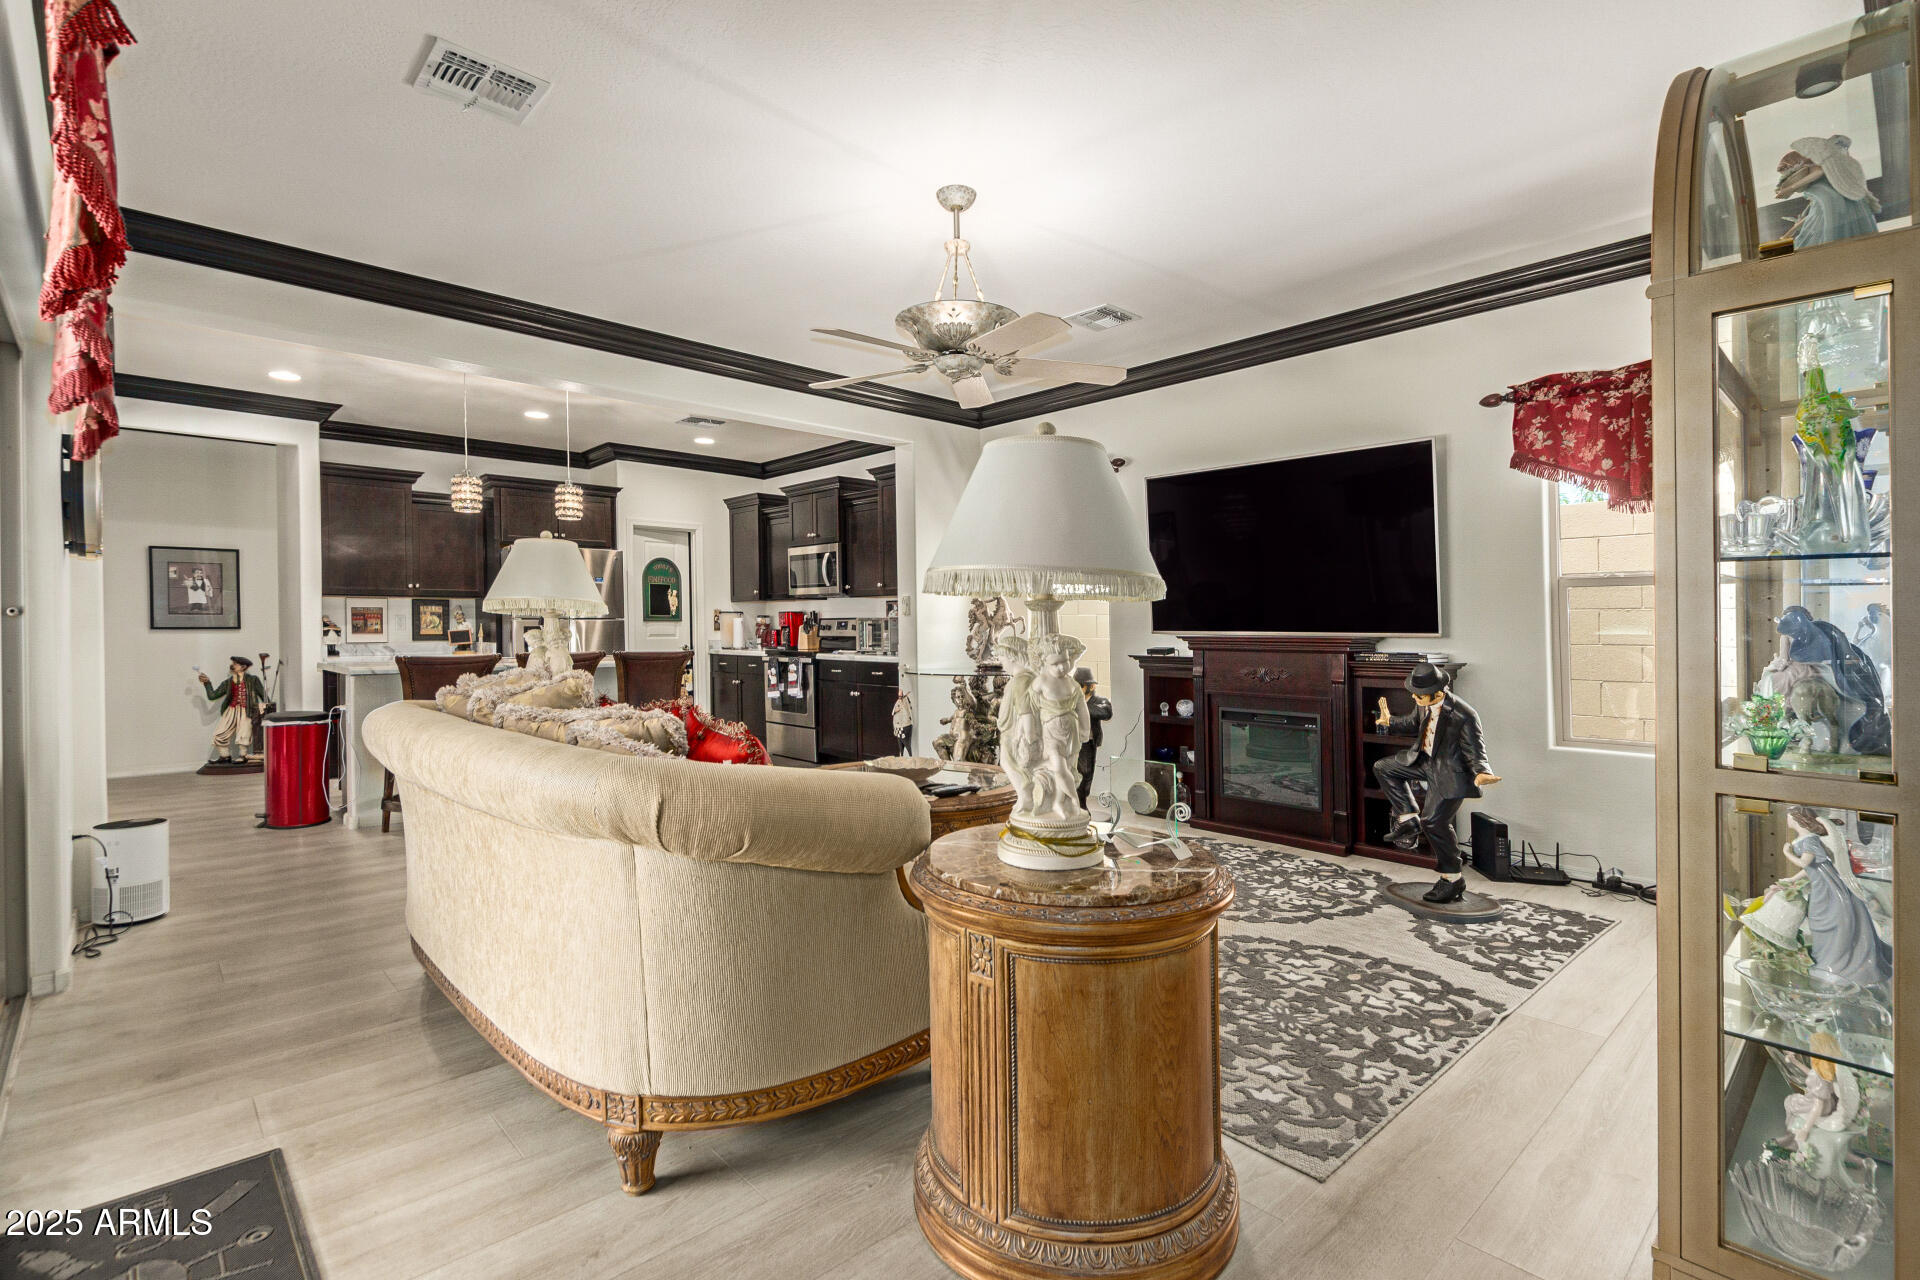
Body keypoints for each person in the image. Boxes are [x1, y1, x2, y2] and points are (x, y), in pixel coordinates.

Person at [1373, 663, 1500, 904]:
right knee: (1384, 767)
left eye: (1419, 695)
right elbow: (1412, 723)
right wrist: (1389, 721)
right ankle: (1408, 818)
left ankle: (1452, 879)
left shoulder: (1464, 714)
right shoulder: (1424, 703)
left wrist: (1482, 771)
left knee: (1433, 822)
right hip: (1424, 762)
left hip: (1450, 772)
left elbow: (1475, 748)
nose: (1415, 698)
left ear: (1439, 692)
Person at [200, 656, 268, 763]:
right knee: (220, 733)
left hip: (247, 709)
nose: (232, 665)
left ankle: (243, 756)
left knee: (244, 732)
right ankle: (224, 756)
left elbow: (264, 696)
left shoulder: (253, 680)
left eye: (235, 664)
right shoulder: (228, 682)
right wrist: (207, 683)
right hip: (231, 709)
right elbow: (212, 696)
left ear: (243, 667)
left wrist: (265, 707)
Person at [1073, 667, 1113, 810]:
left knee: (1086, 774)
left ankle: (1082, 802)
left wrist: (1080, 708)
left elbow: (1106, 713)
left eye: (1080, 685)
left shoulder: (1099, 701)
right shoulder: (1071, 700)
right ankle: (1078, 804)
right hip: (1071, 743)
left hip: (1087, 743)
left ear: (1091, 686)